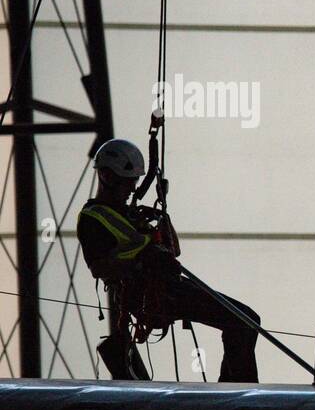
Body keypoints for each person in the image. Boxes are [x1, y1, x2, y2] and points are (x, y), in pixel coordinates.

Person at [77, 138, 260, 382]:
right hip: (147, 293)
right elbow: (99, 267)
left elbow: (174, 251)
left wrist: (163, 218)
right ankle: (237, 391)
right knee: (242, 321)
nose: (133, 189)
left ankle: (233, 388)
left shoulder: (132, 214)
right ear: (108, 177)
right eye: (128, 182)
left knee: (246, 320)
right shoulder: (93, 218)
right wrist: (143, 258)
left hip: (167, 287)